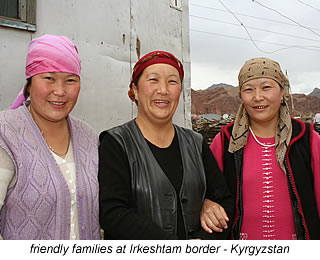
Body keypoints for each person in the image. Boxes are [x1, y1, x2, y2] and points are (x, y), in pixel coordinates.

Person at [98, 51, 233, 240]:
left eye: (172, 82)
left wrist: (202, 239)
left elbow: (224, 201)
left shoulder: (195, 142)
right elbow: (112, 213)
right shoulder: (115, 143)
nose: (163, 90)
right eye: (153, 80)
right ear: (134, 90)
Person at [203, 57, 320, 240]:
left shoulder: (306, 138)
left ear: (282, 92)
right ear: (241, 96)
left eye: (266, 87)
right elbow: (205, 192)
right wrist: (206, 205)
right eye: (248, 89)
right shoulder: (225, 141)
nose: (258, 97)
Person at [0, 34, 100, 239]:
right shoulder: (6, 132)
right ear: (30, 83)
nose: (60, 91)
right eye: (49, 78)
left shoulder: (89, 137)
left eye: (70, 80)